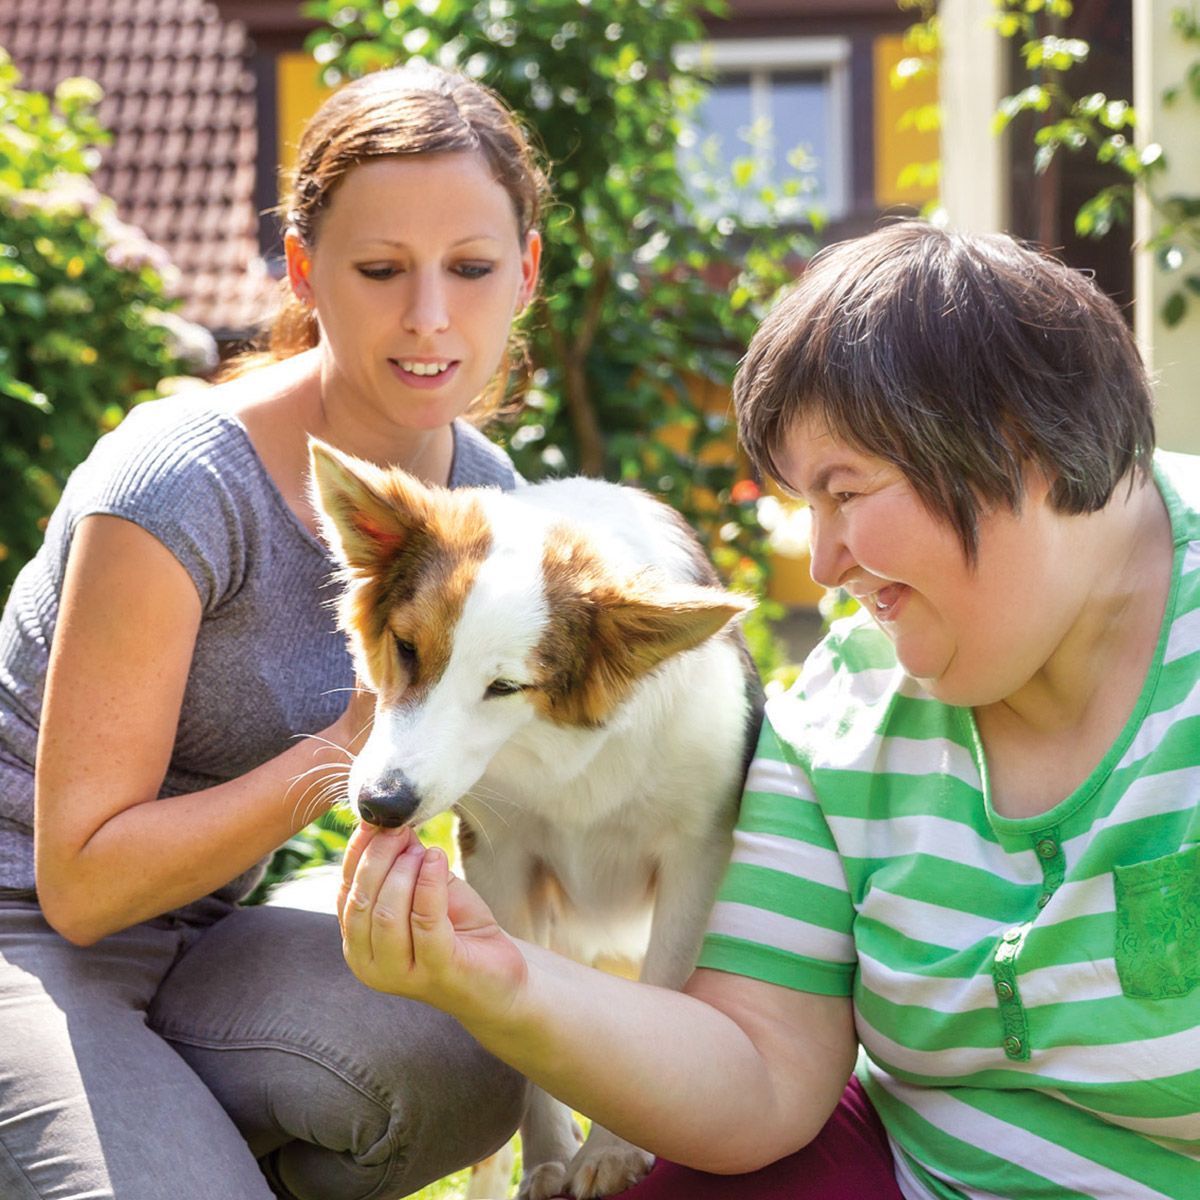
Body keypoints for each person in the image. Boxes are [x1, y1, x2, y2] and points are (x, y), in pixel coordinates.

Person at [336, 222, 1200, 1200]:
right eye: (806, 507)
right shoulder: (838, 713)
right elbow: (760, 1065)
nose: (825, 565)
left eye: (846, 492)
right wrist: (503, 977)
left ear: (1012, 445)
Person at [0, 61, 547, 1200]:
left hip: (205, 936)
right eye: (382, 269)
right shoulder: (179, 484)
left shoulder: (487, 501)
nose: (431, 317)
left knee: (466, 1067)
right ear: (303, 267)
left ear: (527, 271)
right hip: (31, 938)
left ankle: (173, 1138)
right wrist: (349, 747)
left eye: (473, 268)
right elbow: (83, 886)